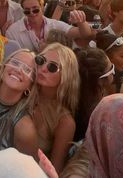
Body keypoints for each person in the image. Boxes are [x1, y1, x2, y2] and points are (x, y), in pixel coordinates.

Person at [33, 42, 80, 174]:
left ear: (66, 75)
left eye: (52, 67)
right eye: (40, 60)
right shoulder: (22, 92)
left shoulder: (65, 122)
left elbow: (55, 169)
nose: (42, 68)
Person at [6, 0, 92, 53]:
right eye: (27, 11)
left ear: (42, 7)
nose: (32, 13)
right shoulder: (13, 31)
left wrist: (81, 22)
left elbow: (85, 34)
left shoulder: (54, 25)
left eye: (35, 10)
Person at [74, 48, 115, 141]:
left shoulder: (73, 99)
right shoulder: (99, 113)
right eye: (111, 69)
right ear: (100, 81)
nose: (113, 71)